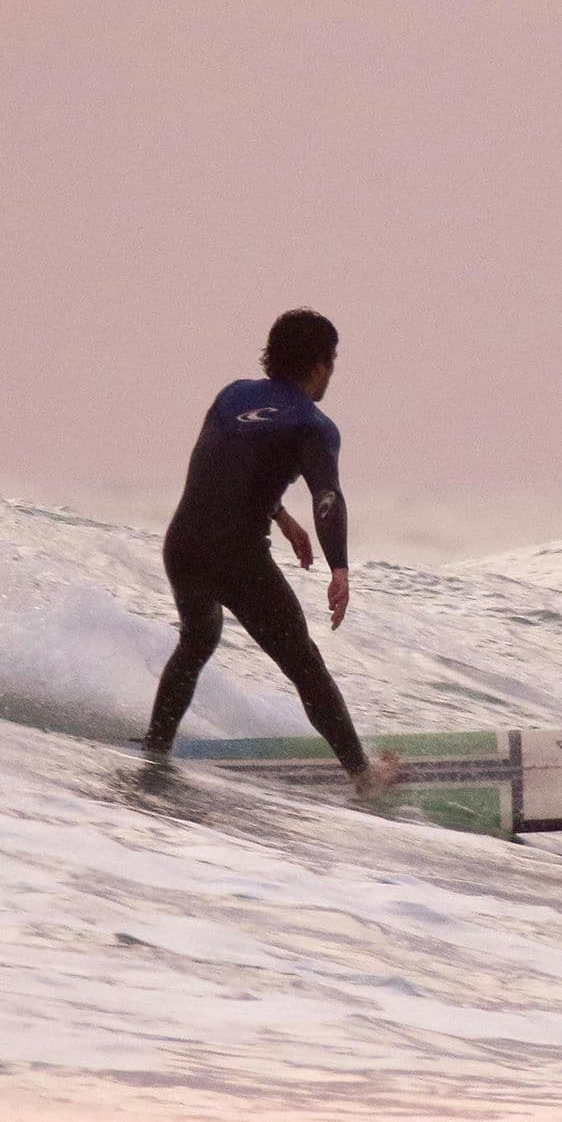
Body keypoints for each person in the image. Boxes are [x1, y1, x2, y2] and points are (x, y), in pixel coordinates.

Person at [145, 308, 401, 798]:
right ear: (321, 365)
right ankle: (364, 776)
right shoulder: (312, 424)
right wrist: (340, 566)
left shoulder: (232, 397)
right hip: (237, 560)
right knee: (304, 665)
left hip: (182, 546)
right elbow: (327, 497)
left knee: (197, 640)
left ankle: (156, 751)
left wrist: (278, 517)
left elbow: (227, 469)